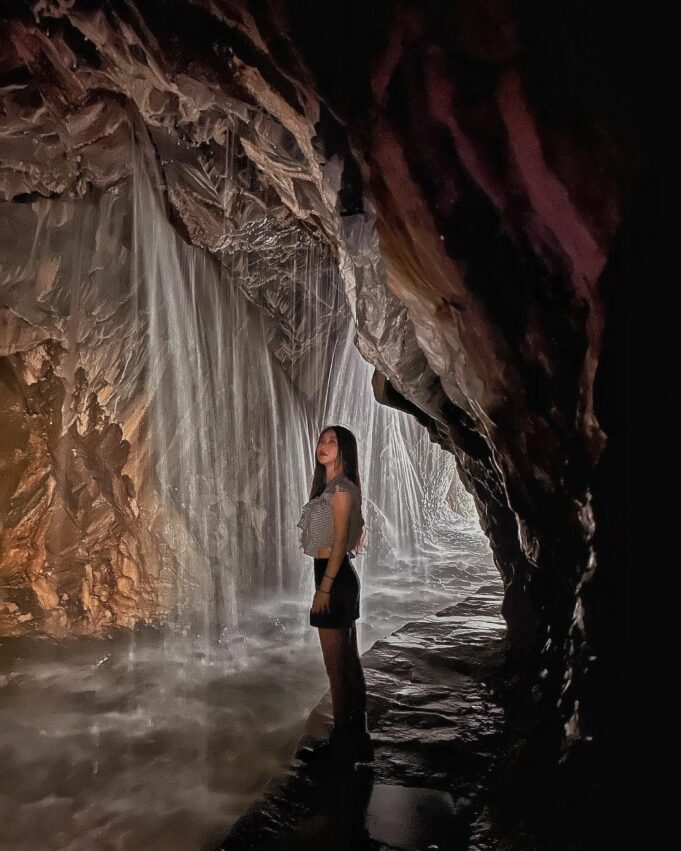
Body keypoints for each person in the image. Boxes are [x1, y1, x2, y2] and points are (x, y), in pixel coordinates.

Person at [297, 425, 374, 762]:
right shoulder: (333, 487)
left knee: (337, 667)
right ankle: (356, 737)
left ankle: (344, 743)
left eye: (333, 442)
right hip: (338, 576)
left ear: (344, 451)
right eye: (322, 440)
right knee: (348, 662)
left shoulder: (340, 488)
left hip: (335, 578)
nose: (323, 446)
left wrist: (324, 589)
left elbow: (341, 540)